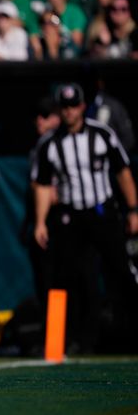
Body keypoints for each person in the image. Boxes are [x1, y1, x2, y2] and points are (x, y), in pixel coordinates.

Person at [33, 83, 138, 354]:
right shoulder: (50, 144)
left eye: (73, 106)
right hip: (70, 216)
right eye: (64, 107)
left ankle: (129, 335)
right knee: (64, 279)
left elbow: (122, 171)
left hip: (102, 210)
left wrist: (133, 209)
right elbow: (43, 185)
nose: (68, 112)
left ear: (82, 106)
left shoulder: (102, 134)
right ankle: (60, 344)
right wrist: (41, 221)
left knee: (121, 273)